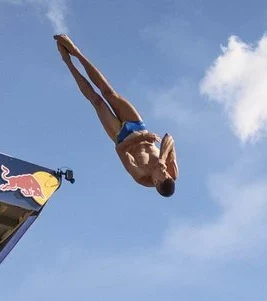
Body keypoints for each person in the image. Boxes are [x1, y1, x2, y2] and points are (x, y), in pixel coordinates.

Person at [55, 35, 177, 196]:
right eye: (167, 174)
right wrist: (162, 159)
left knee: (97, 101)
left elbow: (119, 150)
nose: (165, 172)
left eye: (163, 175)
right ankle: (76, 52)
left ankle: (67, 61)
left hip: (120, 135)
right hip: (137, 125)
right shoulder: (170, 171)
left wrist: (141, 139)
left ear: (156, 182)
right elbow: (169, 139)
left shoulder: (141, 176)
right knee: (109, 92)